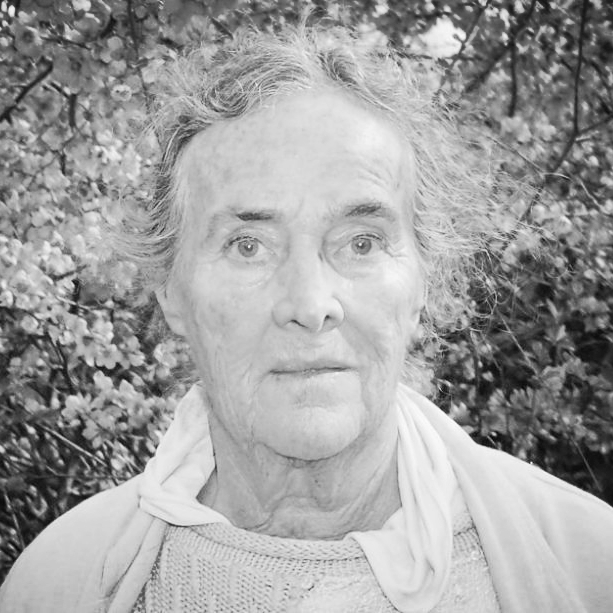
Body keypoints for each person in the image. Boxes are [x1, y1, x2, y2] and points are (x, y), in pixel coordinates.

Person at [2, 21, 613, 613]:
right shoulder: (57, 585)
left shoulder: (591, 567)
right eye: (248, 246)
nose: (311, 304)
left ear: (424, 281)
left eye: (362, 242)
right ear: (171, 292)